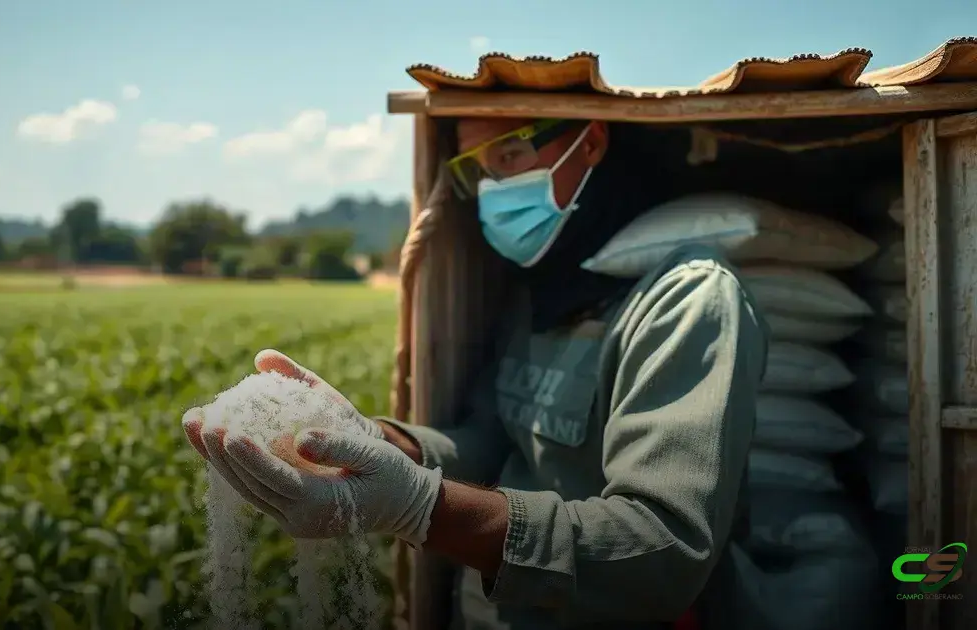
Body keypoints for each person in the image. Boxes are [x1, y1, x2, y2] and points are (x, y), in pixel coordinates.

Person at [183, 117, 769, 629]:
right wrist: (373, 438)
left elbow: (661, 555)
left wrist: (420, 507)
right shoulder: (541, 294)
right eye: (477, 171)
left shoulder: (685, 301)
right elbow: (488, 439)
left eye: (508, 155)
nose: (491, 190)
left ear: (589, 143)